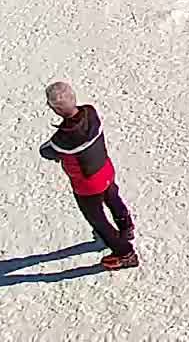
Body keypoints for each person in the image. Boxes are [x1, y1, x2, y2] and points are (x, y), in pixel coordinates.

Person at [41, 81, 138, 270]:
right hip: (105, 169)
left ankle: (125, 253)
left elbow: (46, 151)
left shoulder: (65, 137)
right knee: (112, 197)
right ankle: (126, 227)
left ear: (56, 109)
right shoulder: (90, 112)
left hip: (87, 185)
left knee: (97, 219)